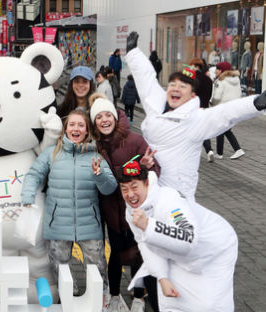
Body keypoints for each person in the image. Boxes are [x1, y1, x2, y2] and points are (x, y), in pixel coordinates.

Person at [124, 31, 266, 201]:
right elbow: (145, 79)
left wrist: (255, 103)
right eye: (173, 84)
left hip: (176, 195)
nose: (176, 88)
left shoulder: (195, 120)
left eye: (183, 86)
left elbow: (225, 113)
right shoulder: (156, 105)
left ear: (192, 96)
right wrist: (133, 53)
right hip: (148, 188)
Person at [21, 109, 117, 308]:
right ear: (66, 129)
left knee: (97, 267)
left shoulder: (95, 156)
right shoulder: (52, 153)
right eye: (72, 124)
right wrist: (28, 196)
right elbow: (33, 175)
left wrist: (99, 175)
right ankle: (68, 296)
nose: (76, 128)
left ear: (87, 130)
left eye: (81, 125)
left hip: (89, 224)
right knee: (60, 267)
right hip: (58, 224)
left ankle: (101, 299)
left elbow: (110, 188)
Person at [118, 160, 238, 312]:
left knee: (209, 305)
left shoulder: (169, 199)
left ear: (147, 183)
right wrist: (162, 277)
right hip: (176, 253)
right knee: (171, 301)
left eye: (134, 187)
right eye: (124, 189)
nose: (130, 195)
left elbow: (188, 238)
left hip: (215, 247)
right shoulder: (131, 211)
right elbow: (145, 244)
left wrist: (149, 226)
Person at [90, 94, 160, 312]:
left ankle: (139, 296)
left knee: (139, 255)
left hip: (136, 212)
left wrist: (146, 167)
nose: (104, 120)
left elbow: (155, 169)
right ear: (94, 123)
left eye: (107, 114)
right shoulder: (94, 145)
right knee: (116, 256)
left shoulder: (134, 140)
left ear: (114, 116)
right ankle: (113, 296)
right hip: (111, 212)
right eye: (98, 117)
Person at [211, 62, 245, 160]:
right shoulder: (236, 79)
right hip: (234, 108)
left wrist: (211, 103)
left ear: (222, 71)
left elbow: (217, 97)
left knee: (222, 129)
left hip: (223, 108)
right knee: (224, 129)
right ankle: (222, 152)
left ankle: (236, 149)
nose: (215, 71)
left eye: (217, 69)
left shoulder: (221, 80)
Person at [188, 58, 214, 162]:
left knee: (191, 130)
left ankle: (191, 153)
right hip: (205, 107)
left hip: (194, 108)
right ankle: (209, 150)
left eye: (192, 65)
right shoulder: (208, 79)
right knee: (203, 130)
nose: (191, 67)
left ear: (196, 66)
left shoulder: (192, 79)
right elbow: (210, 94)